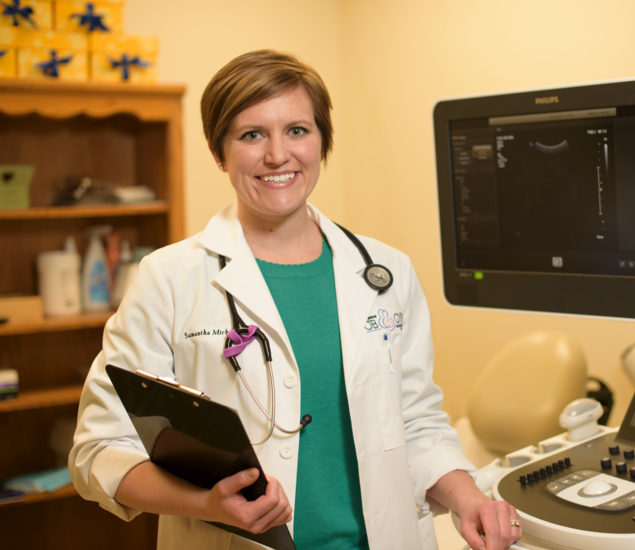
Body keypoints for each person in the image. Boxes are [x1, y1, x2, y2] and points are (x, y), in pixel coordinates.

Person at [69, 49, 520, 550]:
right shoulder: (168, 279)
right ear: (218, 153)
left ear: (322, 141)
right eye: (251, 135)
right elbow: (101, 449)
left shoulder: (386, 271)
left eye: (298, 130)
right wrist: (207, 504)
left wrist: (470, 500)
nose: (277, 155)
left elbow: (415, 420)